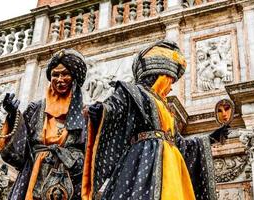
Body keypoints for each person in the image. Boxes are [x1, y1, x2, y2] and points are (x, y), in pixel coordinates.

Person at [82, 40, 227, 200]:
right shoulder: (133, 92)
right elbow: (115, 108)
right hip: (141, 164)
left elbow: (179, 143)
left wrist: (211, 138)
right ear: (160, 75)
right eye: (170, 79)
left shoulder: (165, 108)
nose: (171, 86)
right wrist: (101, 111)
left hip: (173, 169)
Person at [0, 49, 87, 200]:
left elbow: (92, 153)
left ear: (75, 77)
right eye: (55, 75)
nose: (59, 79)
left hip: (69, 182)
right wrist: (12, 116)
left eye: (65, 74)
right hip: (33, 177)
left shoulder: (86, 114)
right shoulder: (36, 109)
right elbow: (18, 152)